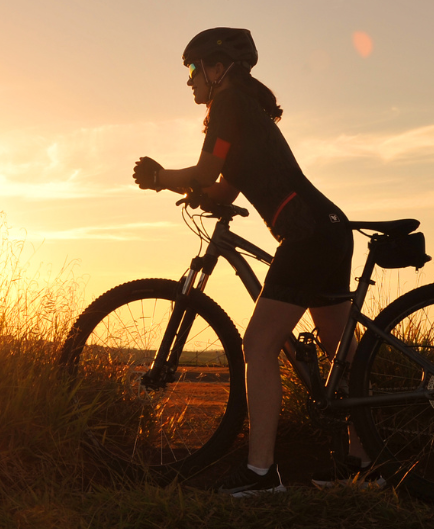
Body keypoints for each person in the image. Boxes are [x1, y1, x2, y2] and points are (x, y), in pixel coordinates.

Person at [132, 27, 374, 495]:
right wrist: (202, 195)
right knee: (340, 352)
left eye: (192, 69)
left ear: (217, 68)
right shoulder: (242, 109)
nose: (189, 82)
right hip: (327, 229)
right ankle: (367, 464)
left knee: (258, 346)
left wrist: (162, 177)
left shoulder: (228, 104)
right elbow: (222, 186)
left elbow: (205, 171)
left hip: (306, 235)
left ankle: (261, 474)